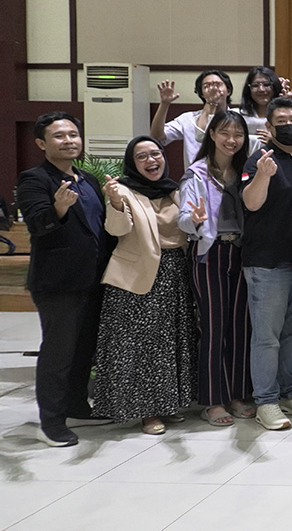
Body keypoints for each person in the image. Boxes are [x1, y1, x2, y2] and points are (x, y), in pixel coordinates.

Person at [17, 112, 115, 447]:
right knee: (58, 354)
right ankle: (52, 423)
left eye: (73, 134)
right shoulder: (35, 179)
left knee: (84, 350)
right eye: (59, 136)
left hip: (93, 279)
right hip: (58, 282)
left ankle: (76, 406)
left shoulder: (87, 180)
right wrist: (57, 208)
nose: (69, 140)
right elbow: (36, 225)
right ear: (41, 143)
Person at [95, 136, 198, 435]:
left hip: (174, 273)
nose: (151, 160)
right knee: (141, 346)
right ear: (132, 162)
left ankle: (167, 403)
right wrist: (116, 202)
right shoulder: (123, 191)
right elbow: (116, 229)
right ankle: (146, 411)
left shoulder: (175, 190)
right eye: (142, 156)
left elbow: (189, 228)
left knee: (170, 343)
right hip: (136, 278)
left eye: (156, 153)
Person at [241, 96, 292, 430]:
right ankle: (265, 400)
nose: (289, 126)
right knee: (267, 337)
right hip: (267, 262)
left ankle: (290, 390)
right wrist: (262, 176)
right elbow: (251, 203)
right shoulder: (260, 160)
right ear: (269, 127)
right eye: (281, 122)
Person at [178, 110, 254, 427]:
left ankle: (236, 394)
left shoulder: (246, 171)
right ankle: (212, 400)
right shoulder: (197, 173)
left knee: (240, 326)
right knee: (214, 326)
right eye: (225, 133)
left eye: (238, 134)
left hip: (242, 253)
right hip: (209, 254)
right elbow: (184, 218)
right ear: (211, 134)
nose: (231, 140)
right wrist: (194, 220)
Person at [152, 70, 234, 167]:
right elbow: (157, 136)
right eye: (207, 86)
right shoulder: (188, 118)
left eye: (217, 84)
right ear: (201, 93)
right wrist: (164, 104)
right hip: (195, 175)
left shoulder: (239, 117)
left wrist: (213, 103)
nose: (213, 89)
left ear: (228, 91)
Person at [236, 66, 285, 146]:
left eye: (266, 84)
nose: (261, 89)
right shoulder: (238, 116)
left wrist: (277, 141)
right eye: (255, 85)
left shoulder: (285, 116)